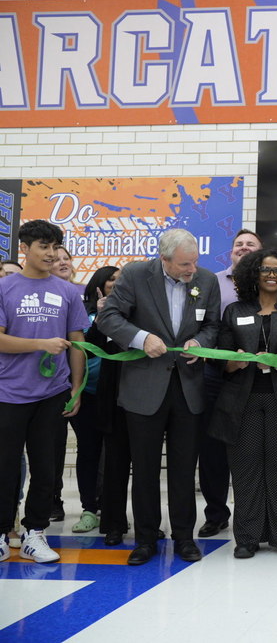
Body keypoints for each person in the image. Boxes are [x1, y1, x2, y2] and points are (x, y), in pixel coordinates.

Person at [97, 228, 221, 566]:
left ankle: (184, 537)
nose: (191, 270)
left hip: (188, 389)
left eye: (194, 262)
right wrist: (140, 338)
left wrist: (201, 344)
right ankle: (146, 539)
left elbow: (212, 325)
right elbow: (108, 317)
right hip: (144, 389)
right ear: (163, 259)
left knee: (183, 470)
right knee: (146, 469)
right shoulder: (137, 275)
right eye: (184, 264)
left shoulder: (207, 281)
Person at [209, 248, 277, 559]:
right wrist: (236, 362)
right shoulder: (234, 311)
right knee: (246, 469)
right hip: (242, 402)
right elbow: (223, 356)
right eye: (265, 269)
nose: (272, 275)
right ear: (253, 274)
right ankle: (247, 537)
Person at [0, 220, 88, 564]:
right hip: (8, 392)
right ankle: (2, 532)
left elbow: (78, 344)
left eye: (55, 247)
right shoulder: (5, 288)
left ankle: (35, 532)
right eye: (43, 247)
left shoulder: (67, 292)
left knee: (46, 467)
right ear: (26, 248)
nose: (51, 254)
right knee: (5, 466)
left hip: (53, 392)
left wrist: (76, 389)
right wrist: (41, 343)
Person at [198, 229, 262, 538]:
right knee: (213, 446)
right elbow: (204, 323)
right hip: (215, 373)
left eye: (251, 244)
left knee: (254, 444)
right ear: (230, 252)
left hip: (257, 375)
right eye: (239, 244)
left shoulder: (270, 282)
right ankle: (216, 513)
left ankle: (256, 513)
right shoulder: (211, 282)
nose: (244, 248)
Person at [66, 266, 121, 534]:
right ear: (99, 283)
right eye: (111, 279)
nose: (116, 283)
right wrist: (100, 315)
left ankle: (113, 511)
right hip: (87, 394)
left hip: (118, 395)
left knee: (116, 454)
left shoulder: (129, 311)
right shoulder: (83, 311)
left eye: (120, 280)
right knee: (89, 451)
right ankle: (89, 509)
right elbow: (83, 349)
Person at [49, 244, 84, 522]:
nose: (61, 262)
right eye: (56, 258)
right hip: (38, 383)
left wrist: (78, 386)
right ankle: (52, 499)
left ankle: (92, 506)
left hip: (79, 383)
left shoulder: (80, 293)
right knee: (49, 448)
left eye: (66, 258)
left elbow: (79, 344)